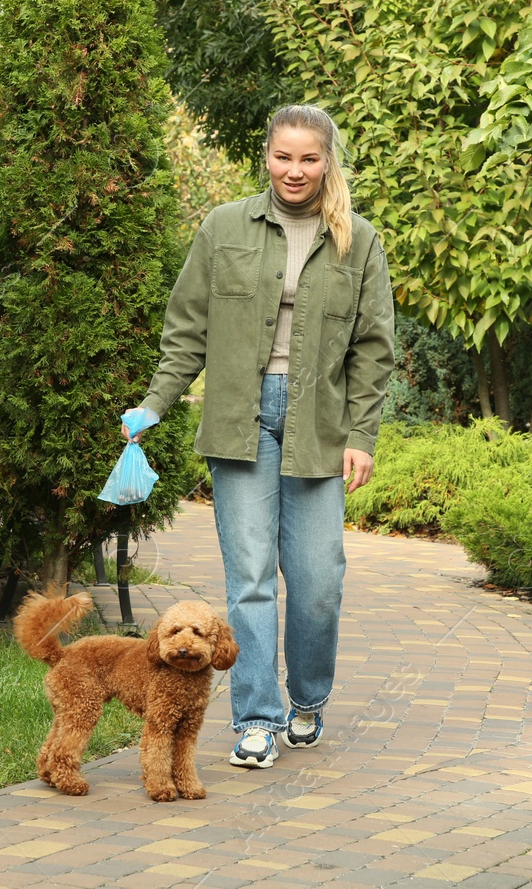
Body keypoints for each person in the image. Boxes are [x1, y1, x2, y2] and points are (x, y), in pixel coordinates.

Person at [124, 104, 395, 769]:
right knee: (249, 578)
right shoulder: (224, 228)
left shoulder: (357, 240)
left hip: (319, 425)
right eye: (283, 156)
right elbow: (186, 326)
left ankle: (308, 698)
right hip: (238, 419)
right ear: (266, 156)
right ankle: (255, 718)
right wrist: (155, 403)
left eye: (308, 158)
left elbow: (373, 347)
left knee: (317, 579)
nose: (294, 170)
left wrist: (361, 432)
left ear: (327, 161)